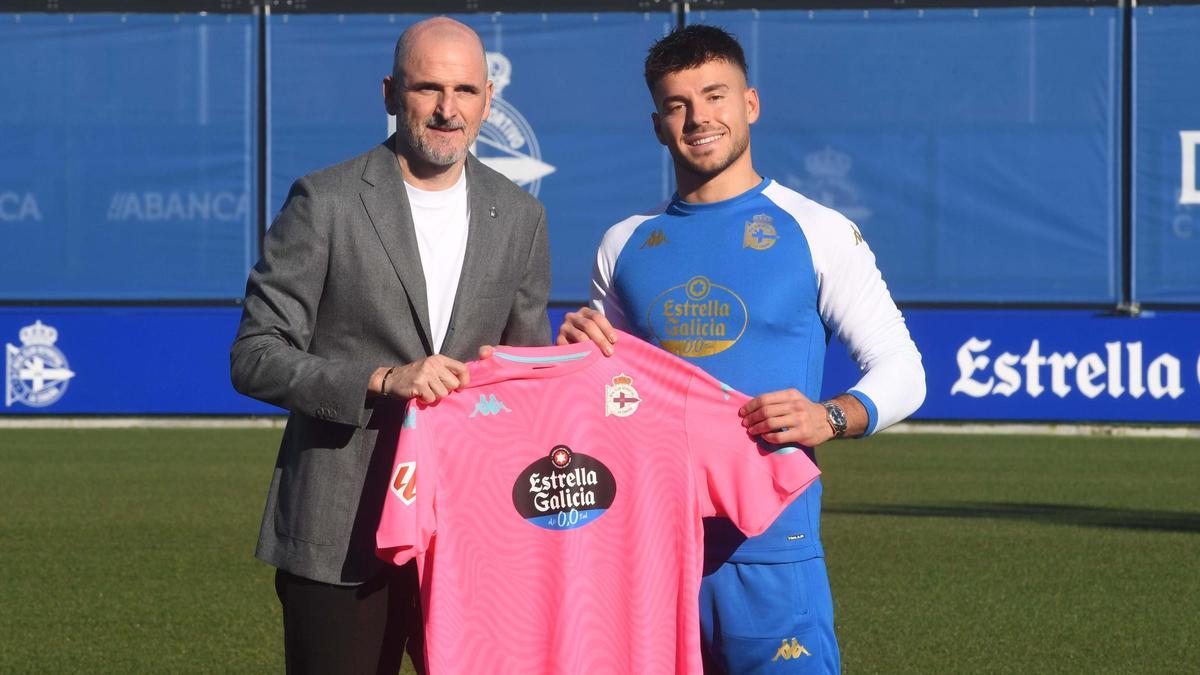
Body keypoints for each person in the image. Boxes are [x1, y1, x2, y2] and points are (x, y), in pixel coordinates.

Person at [557, 25, 926, 673]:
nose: (699, 117)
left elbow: (905, 371)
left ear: (749, 104)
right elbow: (599, 401)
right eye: (678, 104)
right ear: (657, 124)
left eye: (715, 95)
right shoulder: (624, 243)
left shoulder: (818, 231)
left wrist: (830, 415)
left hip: (773, 557)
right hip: (645, 559)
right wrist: (574, 358)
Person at [230, 17, 550, 675]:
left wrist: (569, 357)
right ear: (389, 93)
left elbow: (524, 384)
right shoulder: (325, 202)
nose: (447, 108)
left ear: (488, 99)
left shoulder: (520, 215)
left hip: (471, 537)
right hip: (340, 531)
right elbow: (256, 353)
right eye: (427, 87)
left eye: (464, 90)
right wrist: (381, 379)